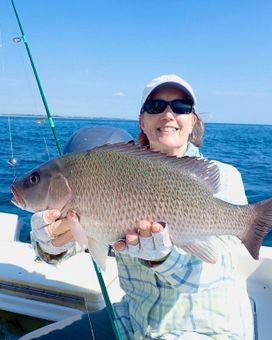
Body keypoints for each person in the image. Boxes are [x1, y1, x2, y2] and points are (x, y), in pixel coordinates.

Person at [24, 75, 254, 340]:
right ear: (142, 121)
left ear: (193, 120)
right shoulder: (114, 170)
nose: (168, 114)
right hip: (133, 320)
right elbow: (75, 241)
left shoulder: (223, 176)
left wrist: (163, 258)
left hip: (204, 329)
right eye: (155, 106)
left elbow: (214, 271)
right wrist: (49, 243)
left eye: (180, 107)